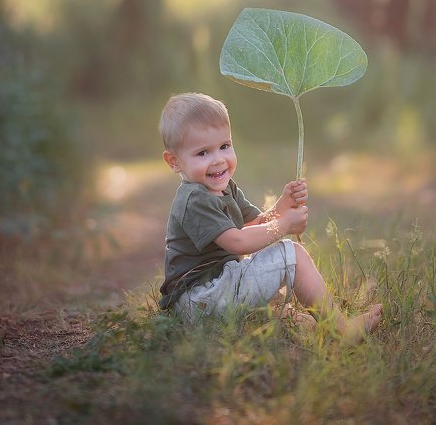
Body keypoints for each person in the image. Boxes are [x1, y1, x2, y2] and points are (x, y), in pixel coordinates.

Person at [157, 92, 382, 342]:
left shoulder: (224, 187)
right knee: (291, 255)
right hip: (199, 298)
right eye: (202, 153)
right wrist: (284, 225)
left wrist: (282, 205)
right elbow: (238, 242)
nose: (218, 159)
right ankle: (344, 330)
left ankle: (288, 317)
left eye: (224, 146)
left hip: (215, 288)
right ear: (174, 161)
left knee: (281, 303)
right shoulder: (195, 198)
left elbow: (254, 225)